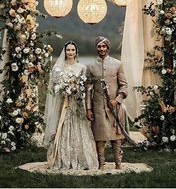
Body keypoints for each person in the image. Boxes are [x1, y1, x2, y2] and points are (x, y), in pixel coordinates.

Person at [42, 41, 98, 170]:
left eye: (73, 50)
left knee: (80, 128)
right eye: (68, 50)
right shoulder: (58, 69)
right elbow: (54, 89)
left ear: (76, 52)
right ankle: (63, 160)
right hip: (64, 105)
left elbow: (85, 88)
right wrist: (64, 90)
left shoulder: (82, 68)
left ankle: (82, 159)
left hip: (77, 103)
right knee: (63, 127)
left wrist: (76, 90)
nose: (71, 52)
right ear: (65, 51)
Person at [86, 36, 128, 170]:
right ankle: (101, 165)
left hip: (114, 106)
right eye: (99, 46)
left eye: (104, 46)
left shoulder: (117, 64)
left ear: (108, 48)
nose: (101, 49)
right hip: (97, 105)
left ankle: (118, 164)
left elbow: (124, 85)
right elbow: (87, 90)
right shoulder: (91, 66)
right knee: (100, 136)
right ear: (96, 48)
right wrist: (88, 108)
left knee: (116, 136)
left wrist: (117, 100)